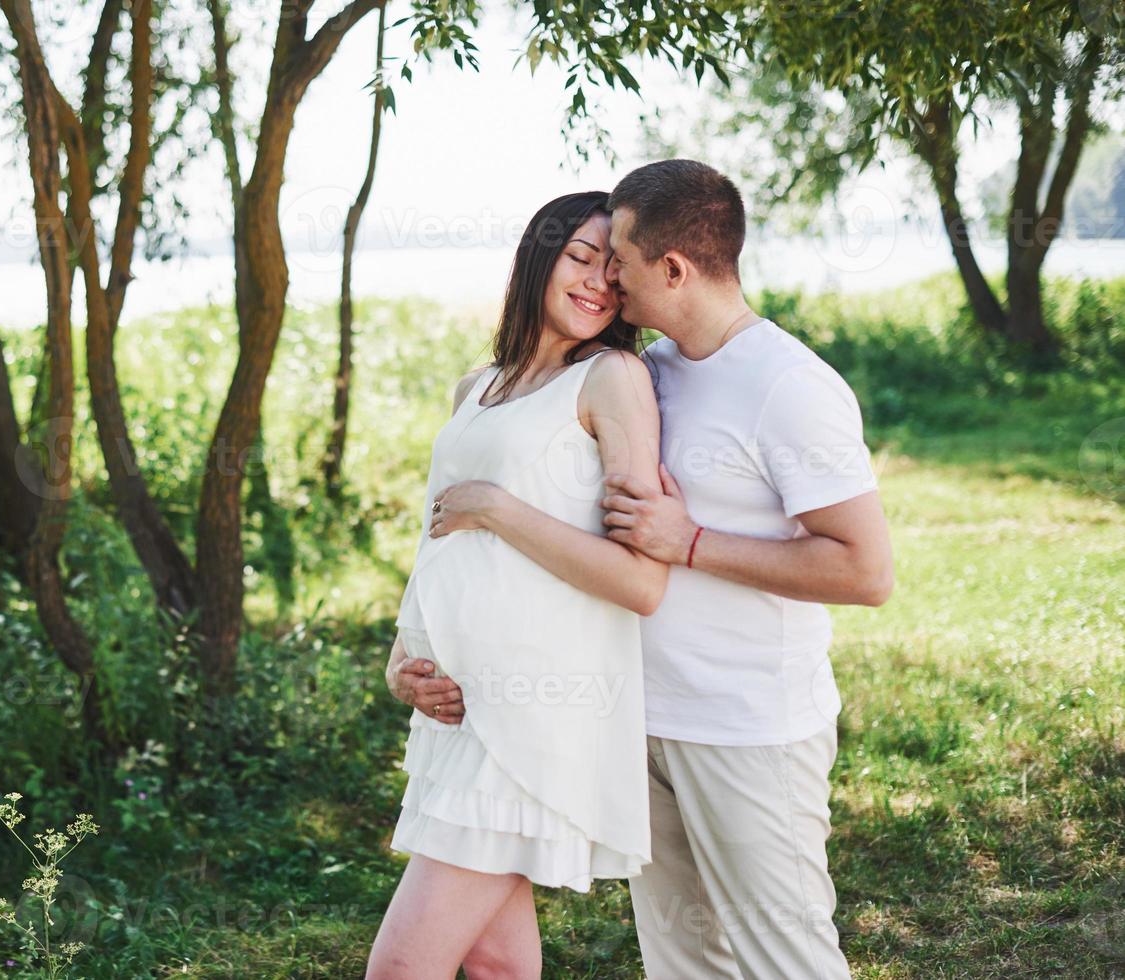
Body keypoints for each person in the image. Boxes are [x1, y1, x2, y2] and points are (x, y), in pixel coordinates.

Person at [599, 159, 894, 978]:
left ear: (671, 268)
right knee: (681, 961)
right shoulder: (642, 373)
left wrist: (689, 543)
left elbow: (864, 571)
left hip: (749, 727)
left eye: (618, 259)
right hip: (644, 719)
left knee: (786, 960)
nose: (607, 277)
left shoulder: (789, 385)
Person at [369, 190, 668, 979]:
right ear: (539, 256)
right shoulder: (477, 386)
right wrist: (402, 656)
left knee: (400, 969)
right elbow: (439, 540)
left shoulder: (611, 378)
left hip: (531, 718)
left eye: (614, 268)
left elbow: (640, 583)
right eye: (579, 256)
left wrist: (499, 509)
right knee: (500, 964)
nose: (597, 282)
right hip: (456, 713)